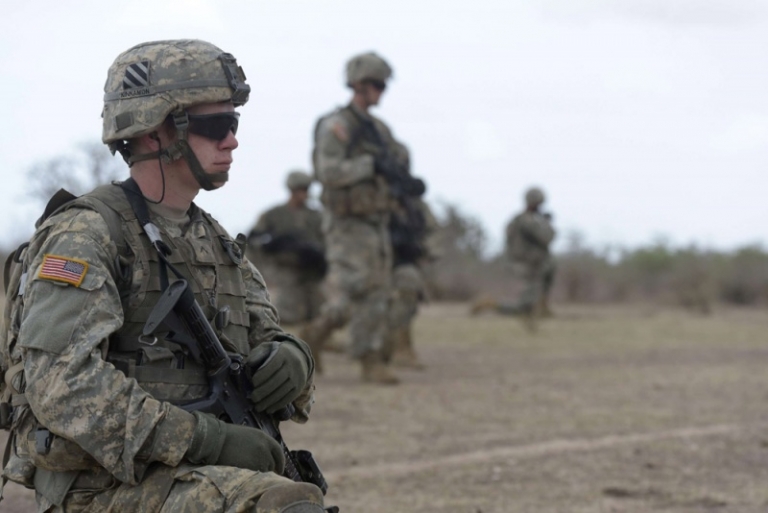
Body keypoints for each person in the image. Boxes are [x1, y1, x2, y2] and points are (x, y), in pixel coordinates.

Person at [0, 40, 325, 512]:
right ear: (154, 132)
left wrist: (294, 360)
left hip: (200, 476)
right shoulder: (86, 234)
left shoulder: (216, 242)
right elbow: (61, 387)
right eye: (216, 126)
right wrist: (206, 439)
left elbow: (265, 337)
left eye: (234, 124)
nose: (232, 140)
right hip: (104, 487)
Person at [301, 51, 410, 384]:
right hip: (347, 222)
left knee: (377, 290)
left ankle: (368, 358)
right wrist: (369, 165)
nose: (380, 91)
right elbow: (327, 171)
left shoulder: (378, 130)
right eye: (376, 84)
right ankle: (314, 336)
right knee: (353, 289)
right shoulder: (338, 126)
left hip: (376, 220)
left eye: (383, 85)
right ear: (358, 85)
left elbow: (397, 160)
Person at [386, 143, 440, 370]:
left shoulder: (413, 202)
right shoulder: (377, 196)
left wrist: (426, 249)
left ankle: (401, 348)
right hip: (376, 259)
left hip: (405, 260)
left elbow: (431, 230)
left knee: (407, 297)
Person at [248, 170, 325, 329]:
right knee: (288, 319)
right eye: (301, 189)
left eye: (306, 189)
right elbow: (253, 240)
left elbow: (326, 242)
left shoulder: (316, 216)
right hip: (285, 274)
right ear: (292, 190)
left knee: (316, 318)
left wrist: (318, 256)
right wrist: (273, 243)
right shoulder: (274, 215)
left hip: (312, 275)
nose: (304, 194)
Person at [472, 187, 556, 321]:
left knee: (549, 270)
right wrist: (547, 223)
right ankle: (489, 304)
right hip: (528, 265)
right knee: (525, 308)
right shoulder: (527, 221)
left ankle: (542, 308)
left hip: (528, 264)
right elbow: (546, 238)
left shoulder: (519, 219)